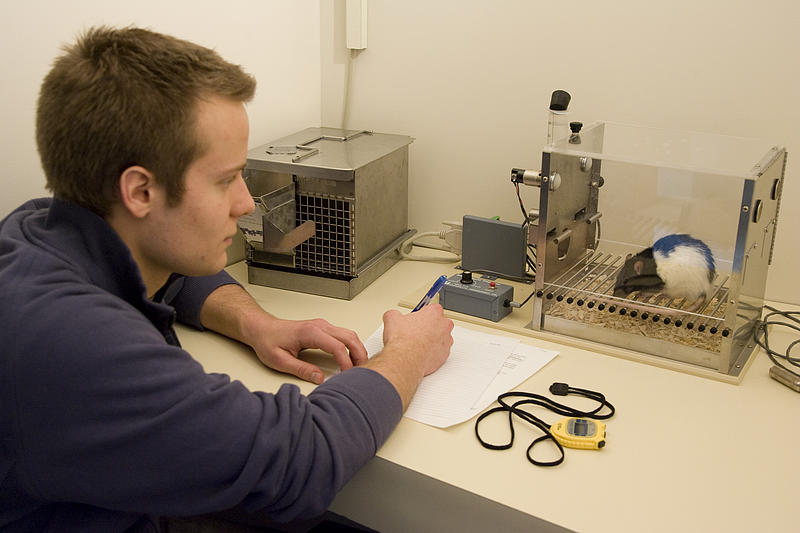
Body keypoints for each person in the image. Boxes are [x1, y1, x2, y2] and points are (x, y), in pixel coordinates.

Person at [0, 26, 453, 532]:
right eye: (224, 180)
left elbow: (170, 278)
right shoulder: (72, 342)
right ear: (140, 192)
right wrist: (409, 353)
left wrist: (257, 325)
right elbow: (301, 457)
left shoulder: (42, 227)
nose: (245, 203)